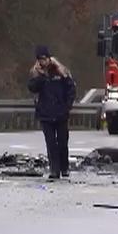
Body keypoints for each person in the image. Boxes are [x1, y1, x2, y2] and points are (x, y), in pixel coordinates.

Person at [28, 45, 75, 181]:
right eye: (40, 59)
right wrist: (41, 77)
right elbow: (32, 88)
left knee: (62, 142)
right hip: (46, 114)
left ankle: (64, 167)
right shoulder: (36, 74)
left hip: (61, 113)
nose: (43, 62)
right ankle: (54, 169)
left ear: (49, 58)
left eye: (44, 59)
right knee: (50, 143)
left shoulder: (60, 72)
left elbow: (71, 88)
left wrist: (67, 106)